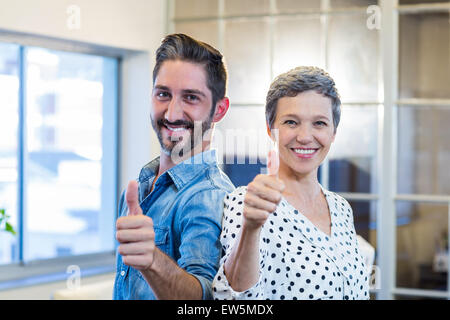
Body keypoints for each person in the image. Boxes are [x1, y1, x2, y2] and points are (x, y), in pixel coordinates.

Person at [212, 66, 370, 300]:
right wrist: (251, 227)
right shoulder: (247, 202)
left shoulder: (341, 208)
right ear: (270, 129)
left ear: (334, 132)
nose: (305, 136)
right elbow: (234, 297)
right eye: (291, 122)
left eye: (319, 123)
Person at [113, 33, 235, 300]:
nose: (171, 113)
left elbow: (205, 299)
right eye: (163, 94)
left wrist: (152, 260)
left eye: (191, 97)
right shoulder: (140, 186)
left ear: (219, 110)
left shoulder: (210, 195)